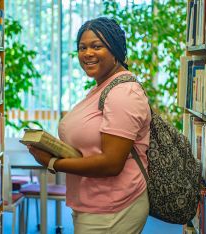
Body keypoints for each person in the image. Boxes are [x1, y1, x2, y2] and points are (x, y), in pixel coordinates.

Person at [27, 17, 151, 234]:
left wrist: (52, 162)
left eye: (97, 46)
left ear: (116, 49)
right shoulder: (103, 88)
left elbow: (111, 163)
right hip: (96, 204)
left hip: (112, 208)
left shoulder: (123, 93)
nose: (87, 54)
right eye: (82, 48)